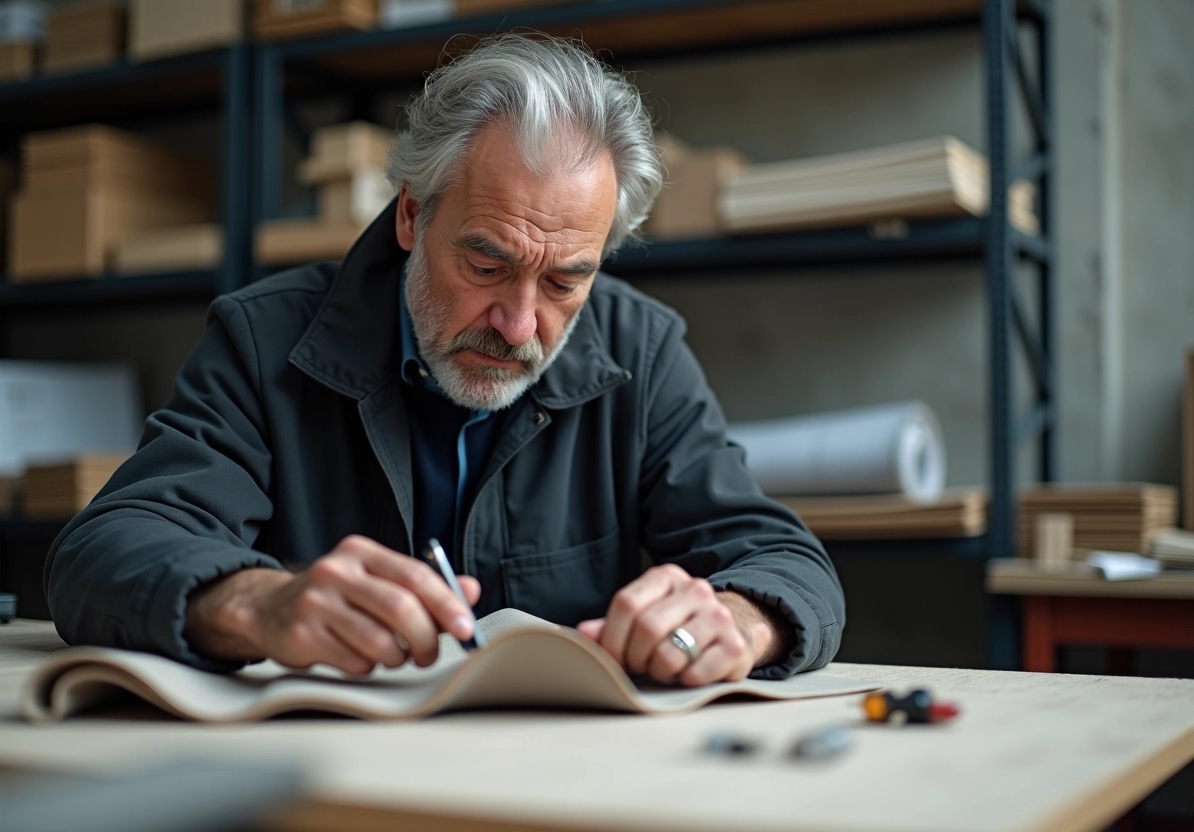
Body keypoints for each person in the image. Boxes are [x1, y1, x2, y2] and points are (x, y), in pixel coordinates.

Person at [45, 35, 844, 686]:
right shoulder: (266, 340)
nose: (520, 323)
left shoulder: (642, 348)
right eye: (487, 265)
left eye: (567, 278)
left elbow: (785, 561)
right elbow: (105, 550)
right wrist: (259, 603)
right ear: (410, 215)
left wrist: (739, 620)